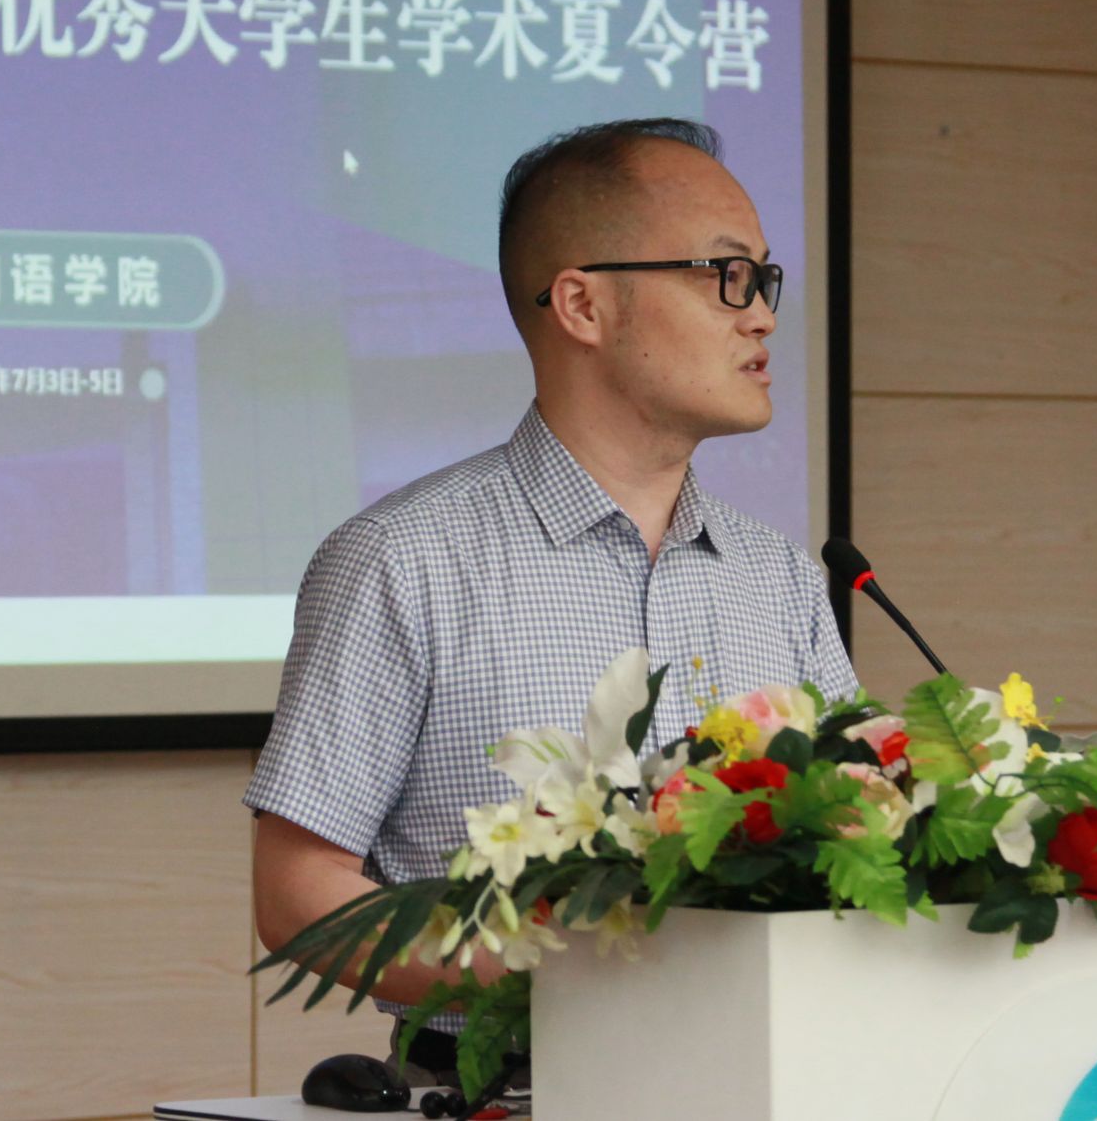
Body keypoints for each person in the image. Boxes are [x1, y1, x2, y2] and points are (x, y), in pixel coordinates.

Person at [245, 118, 858, 1085]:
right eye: (726, 275)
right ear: (582, 304)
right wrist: (563, 971)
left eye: (763, 280)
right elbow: (298, 893)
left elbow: (856, 828)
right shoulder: (405, 561)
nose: (762, 318)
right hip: (509, 1090)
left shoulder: (778, 575)